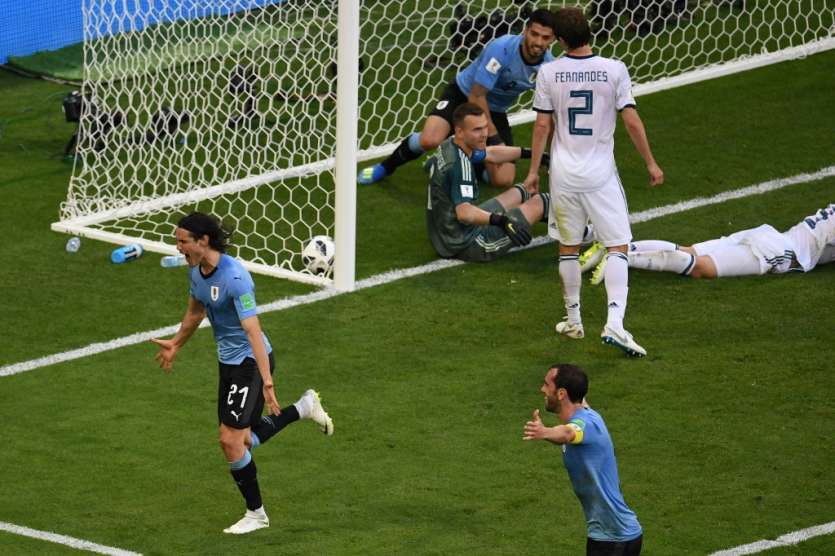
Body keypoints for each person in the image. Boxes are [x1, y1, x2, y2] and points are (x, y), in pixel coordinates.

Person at [150, 212, 334, 535]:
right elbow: (195, 312)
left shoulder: (235, 278)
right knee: (244, 439)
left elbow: (252, 330)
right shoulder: (196, 271)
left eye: (182, 241)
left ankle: (256, 515)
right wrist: (176, 344)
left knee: (230, 441)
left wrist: (266, 381)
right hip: (228, 363)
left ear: (203, 241)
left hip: (250, 362)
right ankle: (304, 408)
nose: (178, 247)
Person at [523, 6, 664, 357]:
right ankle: (615, 322)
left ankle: (574, 321)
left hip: (563, 175)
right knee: (617, 245)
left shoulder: (549, 72)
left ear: (560, 40)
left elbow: (542, 125)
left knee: (568, 247)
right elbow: (631, 121)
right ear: (590, 33)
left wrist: (532, 172)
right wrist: (650, 162)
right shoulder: (614, 69)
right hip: (599, 175)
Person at [358, 8, 558, 188]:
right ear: (525, 31)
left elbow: (549, 115)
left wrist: (549, 156)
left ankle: (452, 159)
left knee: (502, 179)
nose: (538, 42)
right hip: (463, 94)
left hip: (494, 110)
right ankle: (385, 167)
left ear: (552, 39)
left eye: (545, 37)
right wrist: (494, 138)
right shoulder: (502, 49)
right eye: (534, 34)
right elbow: (476, 95)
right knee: (430, 139)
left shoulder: (548, 68)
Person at [523, 363, 643, 555]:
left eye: (546, 384)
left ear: (561, 394)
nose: (542, 389)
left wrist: (544, 432)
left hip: (614, 538)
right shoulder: (583, 411)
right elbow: (573, 414)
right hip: (609, 535)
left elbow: (568, 434)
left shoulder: (586, 424)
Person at [426, 102, 554, 262]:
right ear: (460, 131)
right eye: (477, 130)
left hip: (446, 233)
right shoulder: (459, 166)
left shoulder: (452, 144)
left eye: (485, 127)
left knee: (524, 190)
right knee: (542, 202)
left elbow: (491, 154)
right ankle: (580, 236)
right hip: (467, 243)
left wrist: (532, 154)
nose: (484, 134)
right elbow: (464, 213)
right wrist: (502, 221)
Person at [584, 203, 835, 281]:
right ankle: (621, 258)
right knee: (700, 267)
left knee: (688, 251)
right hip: (778, 251)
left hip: (769, 235)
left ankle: (617, 247)